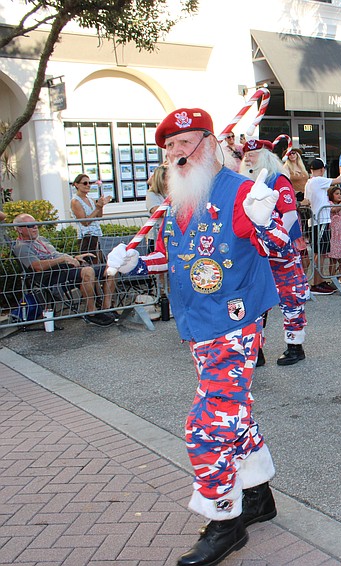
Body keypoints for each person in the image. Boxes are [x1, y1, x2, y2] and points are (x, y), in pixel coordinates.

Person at [106, 107, 287, 565]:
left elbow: (280, 247)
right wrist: (138, 264)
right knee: (234, 414)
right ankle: (260, 496)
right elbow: (174, 257)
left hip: (233, 323)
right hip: (196, 324)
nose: (176, 153)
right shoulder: (178, 199)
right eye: (170, 147)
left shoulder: (241, 190)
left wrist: (266, 219)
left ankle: (225, 520)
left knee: (207, 426)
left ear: (209, 144)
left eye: (185, 143)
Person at [241, 138, 311, 366]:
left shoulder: (277, 180)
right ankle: (256, 349)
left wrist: (274, 239)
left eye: (254, 154)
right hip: (257, 253)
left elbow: (289, 214)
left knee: (290, 297)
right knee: (257, 300)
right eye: (246, 155)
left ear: (266, 156)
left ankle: (294, 346)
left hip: (282, 251)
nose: (248, 158)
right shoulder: (246, 182)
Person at [13, 213, 117, 327]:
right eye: (30, 225)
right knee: (88, 271)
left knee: (111, 267)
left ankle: (106, 308)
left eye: (36, 224)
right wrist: (63, 260)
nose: (35, 227)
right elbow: (37, 266)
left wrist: (75, 258)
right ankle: (91, 313)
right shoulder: (21, 247)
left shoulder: (41, 239)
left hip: (64, 268)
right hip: (50, 274)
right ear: (19, 229)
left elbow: (55, 255)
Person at [305, 158, 341, 295]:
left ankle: (320, 280)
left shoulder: (309, 182)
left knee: (320, 252)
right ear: (322, 169)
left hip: (318, 219)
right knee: (320, 254)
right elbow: (338, 180)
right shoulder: (318, 180)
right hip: (320, 220)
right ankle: (316, 283)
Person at [70, 174, 112, 261]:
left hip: (98, 235)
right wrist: (98, 208)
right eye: (85, 183)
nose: (88, 185)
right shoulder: (75, 201)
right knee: (90, 263)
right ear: (77, 185)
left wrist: (101, 205)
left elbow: (99, 215)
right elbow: (85, 222)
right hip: (86, 236)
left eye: (90, 183)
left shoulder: (91, 199)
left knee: (102, 262)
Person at [326, 185, 341, 286]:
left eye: (340, 194)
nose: (339, 196)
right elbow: (334, 210)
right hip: (334, 234)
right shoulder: (330, 204)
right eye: (336, 194)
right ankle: (333, 279)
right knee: (333, 258)